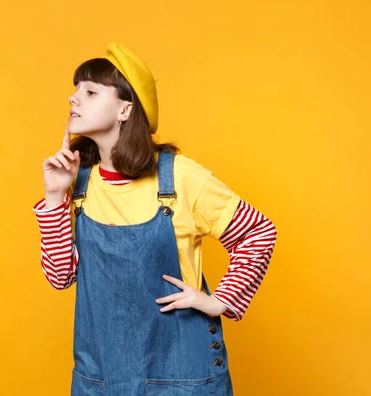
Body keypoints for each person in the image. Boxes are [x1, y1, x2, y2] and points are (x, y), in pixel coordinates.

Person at [33, 42, 277, 395]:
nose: (73, 99)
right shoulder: (80, 182)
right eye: (74, 91)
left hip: (182, 377)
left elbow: (258, 232)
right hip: (101, 379)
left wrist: (222, 299)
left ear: (125, 108)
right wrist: (55, 196)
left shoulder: (179, 178)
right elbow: (60, 276)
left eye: (89, 91)